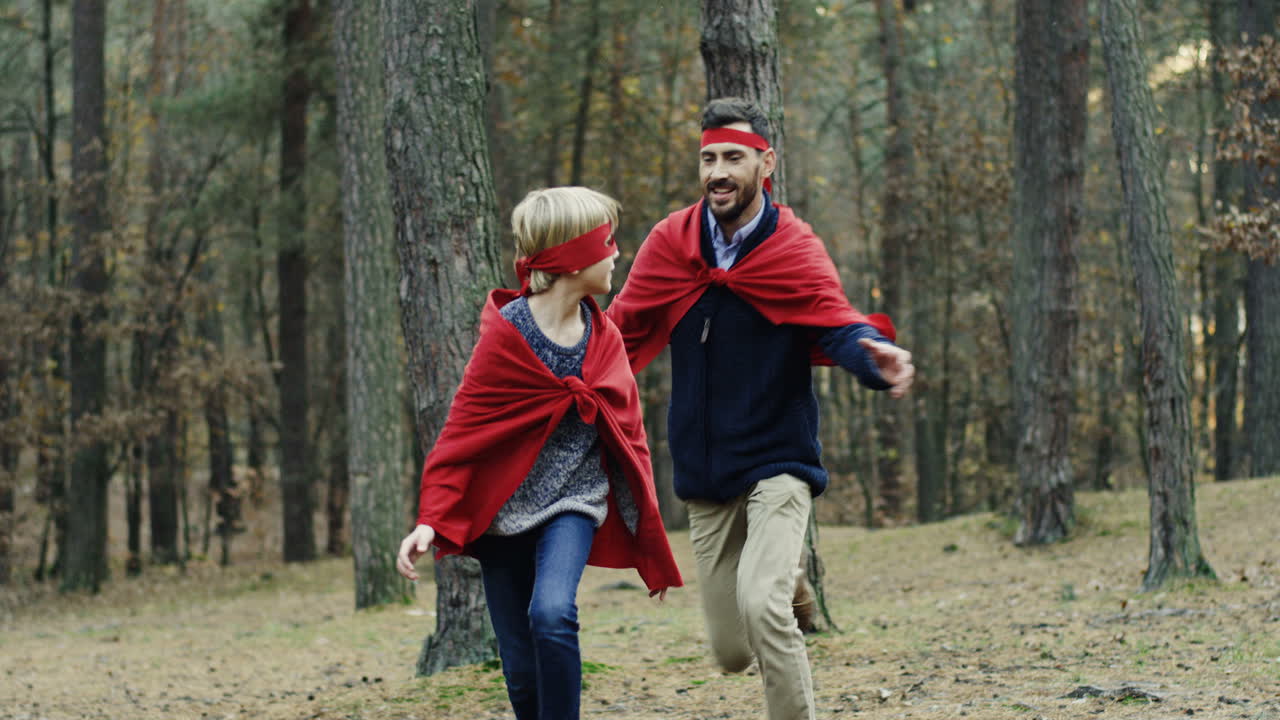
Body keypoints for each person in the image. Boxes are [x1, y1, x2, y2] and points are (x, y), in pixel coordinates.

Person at [605, 97, 915, 720]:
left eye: (733, 157)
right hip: (705, 471)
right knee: (729, 652)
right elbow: (621, 331)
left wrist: (870, 357)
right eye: (708, 158)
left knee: (762, 607)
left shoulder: (791, 245)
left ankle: (780, 606)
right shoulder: (670, 242)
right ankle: (790, 580)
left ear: (765, 163)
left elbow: (833, 322)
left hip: (779, 457)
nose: (718, 171)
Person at [395, 186, 683, 720]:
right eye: (607, 243)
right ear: (573, 258)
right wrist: (431, 520)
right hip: (501, 513)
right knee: (520, 671)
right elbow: (463, 431)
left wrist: (650, 547)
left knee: (552, 614)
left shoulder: (604, 337)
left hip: (573, 502)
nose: (618, 252)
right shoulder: (507, 337)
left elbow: (631, 440)